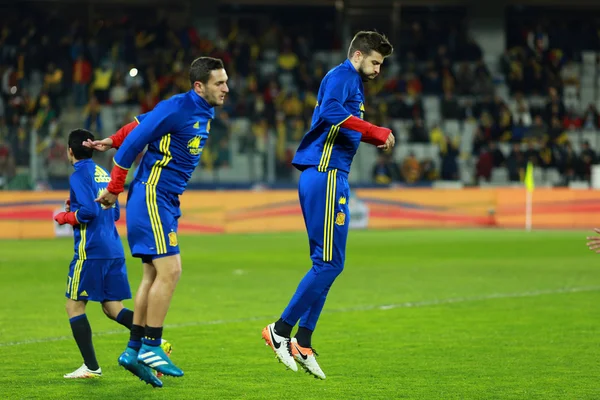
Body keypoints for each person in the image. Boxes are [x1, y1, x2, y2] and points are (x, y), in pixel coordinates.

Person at [84, 57, 228, 387]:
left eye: (226, 81)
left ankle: (133, 350)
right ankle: (152, 345)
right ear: (199, 86)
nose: (226, 88)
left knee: (152, 274)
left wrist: (113, 137)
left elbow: (142, 123)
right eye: (219, 83)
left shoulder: (202, 109)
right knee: (171, 270)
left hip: (165, 200)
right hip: (152, 195)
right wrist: (113, 188)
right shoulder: (178, 106)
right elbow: (131, 149)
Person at [261, 31, 395, 379]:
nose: (379, 69)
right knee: (330, 263)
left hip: (324, 173)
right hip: (327, 172)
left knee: (327, 263)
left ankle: (303, 342)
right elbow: (333, 112)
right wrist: (375, 129)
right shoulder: (343, 77)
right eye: (376, 62)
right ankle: (280, 330)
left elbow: (343, 122)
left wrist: (372, 134)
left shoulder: (351, 82)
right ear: (359, 55)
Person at [55, 128, 134, 379]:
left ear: (70, 151)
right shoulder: (103, 172)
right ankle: (155, 339)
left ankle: (91, 367)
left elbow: (88, 213)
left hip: (91, 252)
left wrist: (65, 217)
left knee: (74, 306)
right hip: (113, 247)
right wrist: (77, 206)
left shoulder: (78, 175)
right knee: (113, 308)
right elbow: (115, 211)